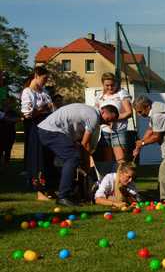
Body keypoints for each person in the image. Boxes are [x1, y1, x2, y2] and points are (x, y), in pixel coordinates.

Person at [38, 103, 119, 206]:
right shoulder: (94, 117)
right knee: (72, 158)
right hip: (51, 131)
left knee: (67, 160)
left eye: (112, 121)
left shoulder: (90, 112)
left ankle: (64, 192)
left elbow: (84, 143)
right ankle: (63, 196)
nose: (108, 123)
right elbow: (84, 144)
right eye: (108, 119)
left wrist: (85, 160)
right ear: (103, 111)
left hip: (46, 129)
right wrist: (87, 165)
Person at [21, 66, 55, 196]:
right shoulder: (27, 92)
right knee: (37, 156)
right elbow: (27, 114)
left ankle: (48, 185)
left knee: (47, 155)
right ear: (36, 76)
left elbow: (51, 107)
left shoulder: (44, 91)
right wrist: (43, 108)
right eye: (44, 79)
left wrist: (48, 108)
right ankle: (37, 186)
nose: (45, 82)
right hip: (35, 127)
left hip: (47, 126)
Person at [95, 73, 132, 164]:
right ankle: (111, 177)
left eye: (112, 85)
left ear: (116, 83)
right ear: (102, 84)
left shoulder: (121, 93)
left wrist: (113, 119)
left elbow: (129, 112)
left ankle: (122, 177)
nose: (110, 87)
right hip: (104, 131)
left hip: (119, 131)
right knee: (108, 161)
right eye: (107, 85)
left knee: (120, 160)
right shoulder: (99, 96)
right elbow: (97, 114)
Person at [0, 97, 18, 172]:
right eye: (5, 102)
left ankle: (6, 167)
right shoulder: (0, 111)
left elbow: (16, 120)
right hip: (1, 135)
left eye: (9, 102)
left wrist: (6, 119)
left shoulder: (13, 112)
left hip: (10, 135)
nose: (7, 103)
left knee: (8, 151)